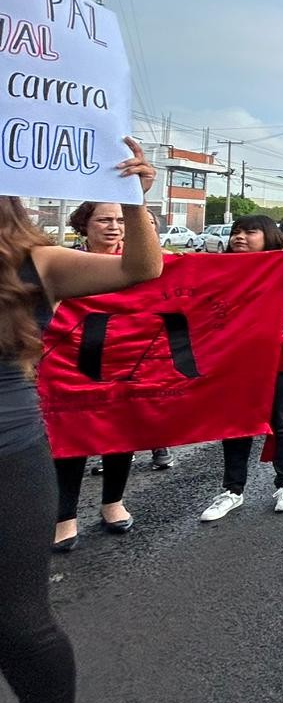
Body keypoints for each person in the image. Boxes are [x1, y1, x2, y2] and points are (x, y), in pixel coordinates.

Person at [1, 139, 160, 703]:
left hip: (8, 456)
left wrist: (132, 199)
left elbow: (139, 271)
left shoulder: (33, 262)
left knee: (19, 623)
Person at [197, 215, 283, 522]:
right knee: (235, 424)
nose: (240, 237)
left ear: (268, 236)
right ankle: (232, 491)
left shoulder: (281, 264)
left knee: (280, 420)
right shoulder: (219, 268)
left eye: (250, 232)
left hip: (279, 358)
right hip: (233, 361)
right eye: (236, 232)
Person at [51, 203, 139, 552]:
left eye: (120, 220)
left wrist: (282, 258)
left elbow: (204, 276)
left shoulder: (144, 262)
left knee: (121, 433)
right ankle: (64, 517)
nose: (114, 226)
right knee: (69, 439)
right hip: (70, 365)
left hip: (127, 362)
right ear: (83, 224)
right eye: (104, 219)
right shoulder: (63, 263)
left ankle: (112, 503)